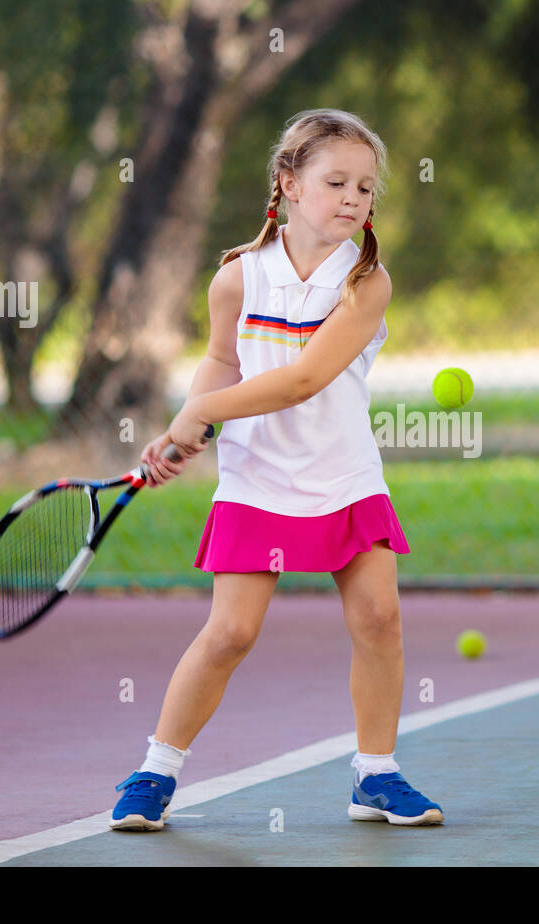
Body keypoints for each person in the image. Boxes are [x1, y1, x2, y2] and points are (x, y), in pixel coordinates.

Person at [109, 109, 443, 830]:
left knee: (380, 620)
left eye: (366, 188)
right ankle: (153, 773)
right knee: (230, 634)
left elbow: (301, 381)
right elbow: (223, 361)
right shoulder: (236, 279)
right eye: (336, 183)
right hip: (258, 480)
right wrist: (190, 419)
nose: (354, 199)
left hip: (346, 476)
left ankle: (375, 776)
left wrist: (196, 414)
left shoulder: (366, 283)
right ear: (288, 183)